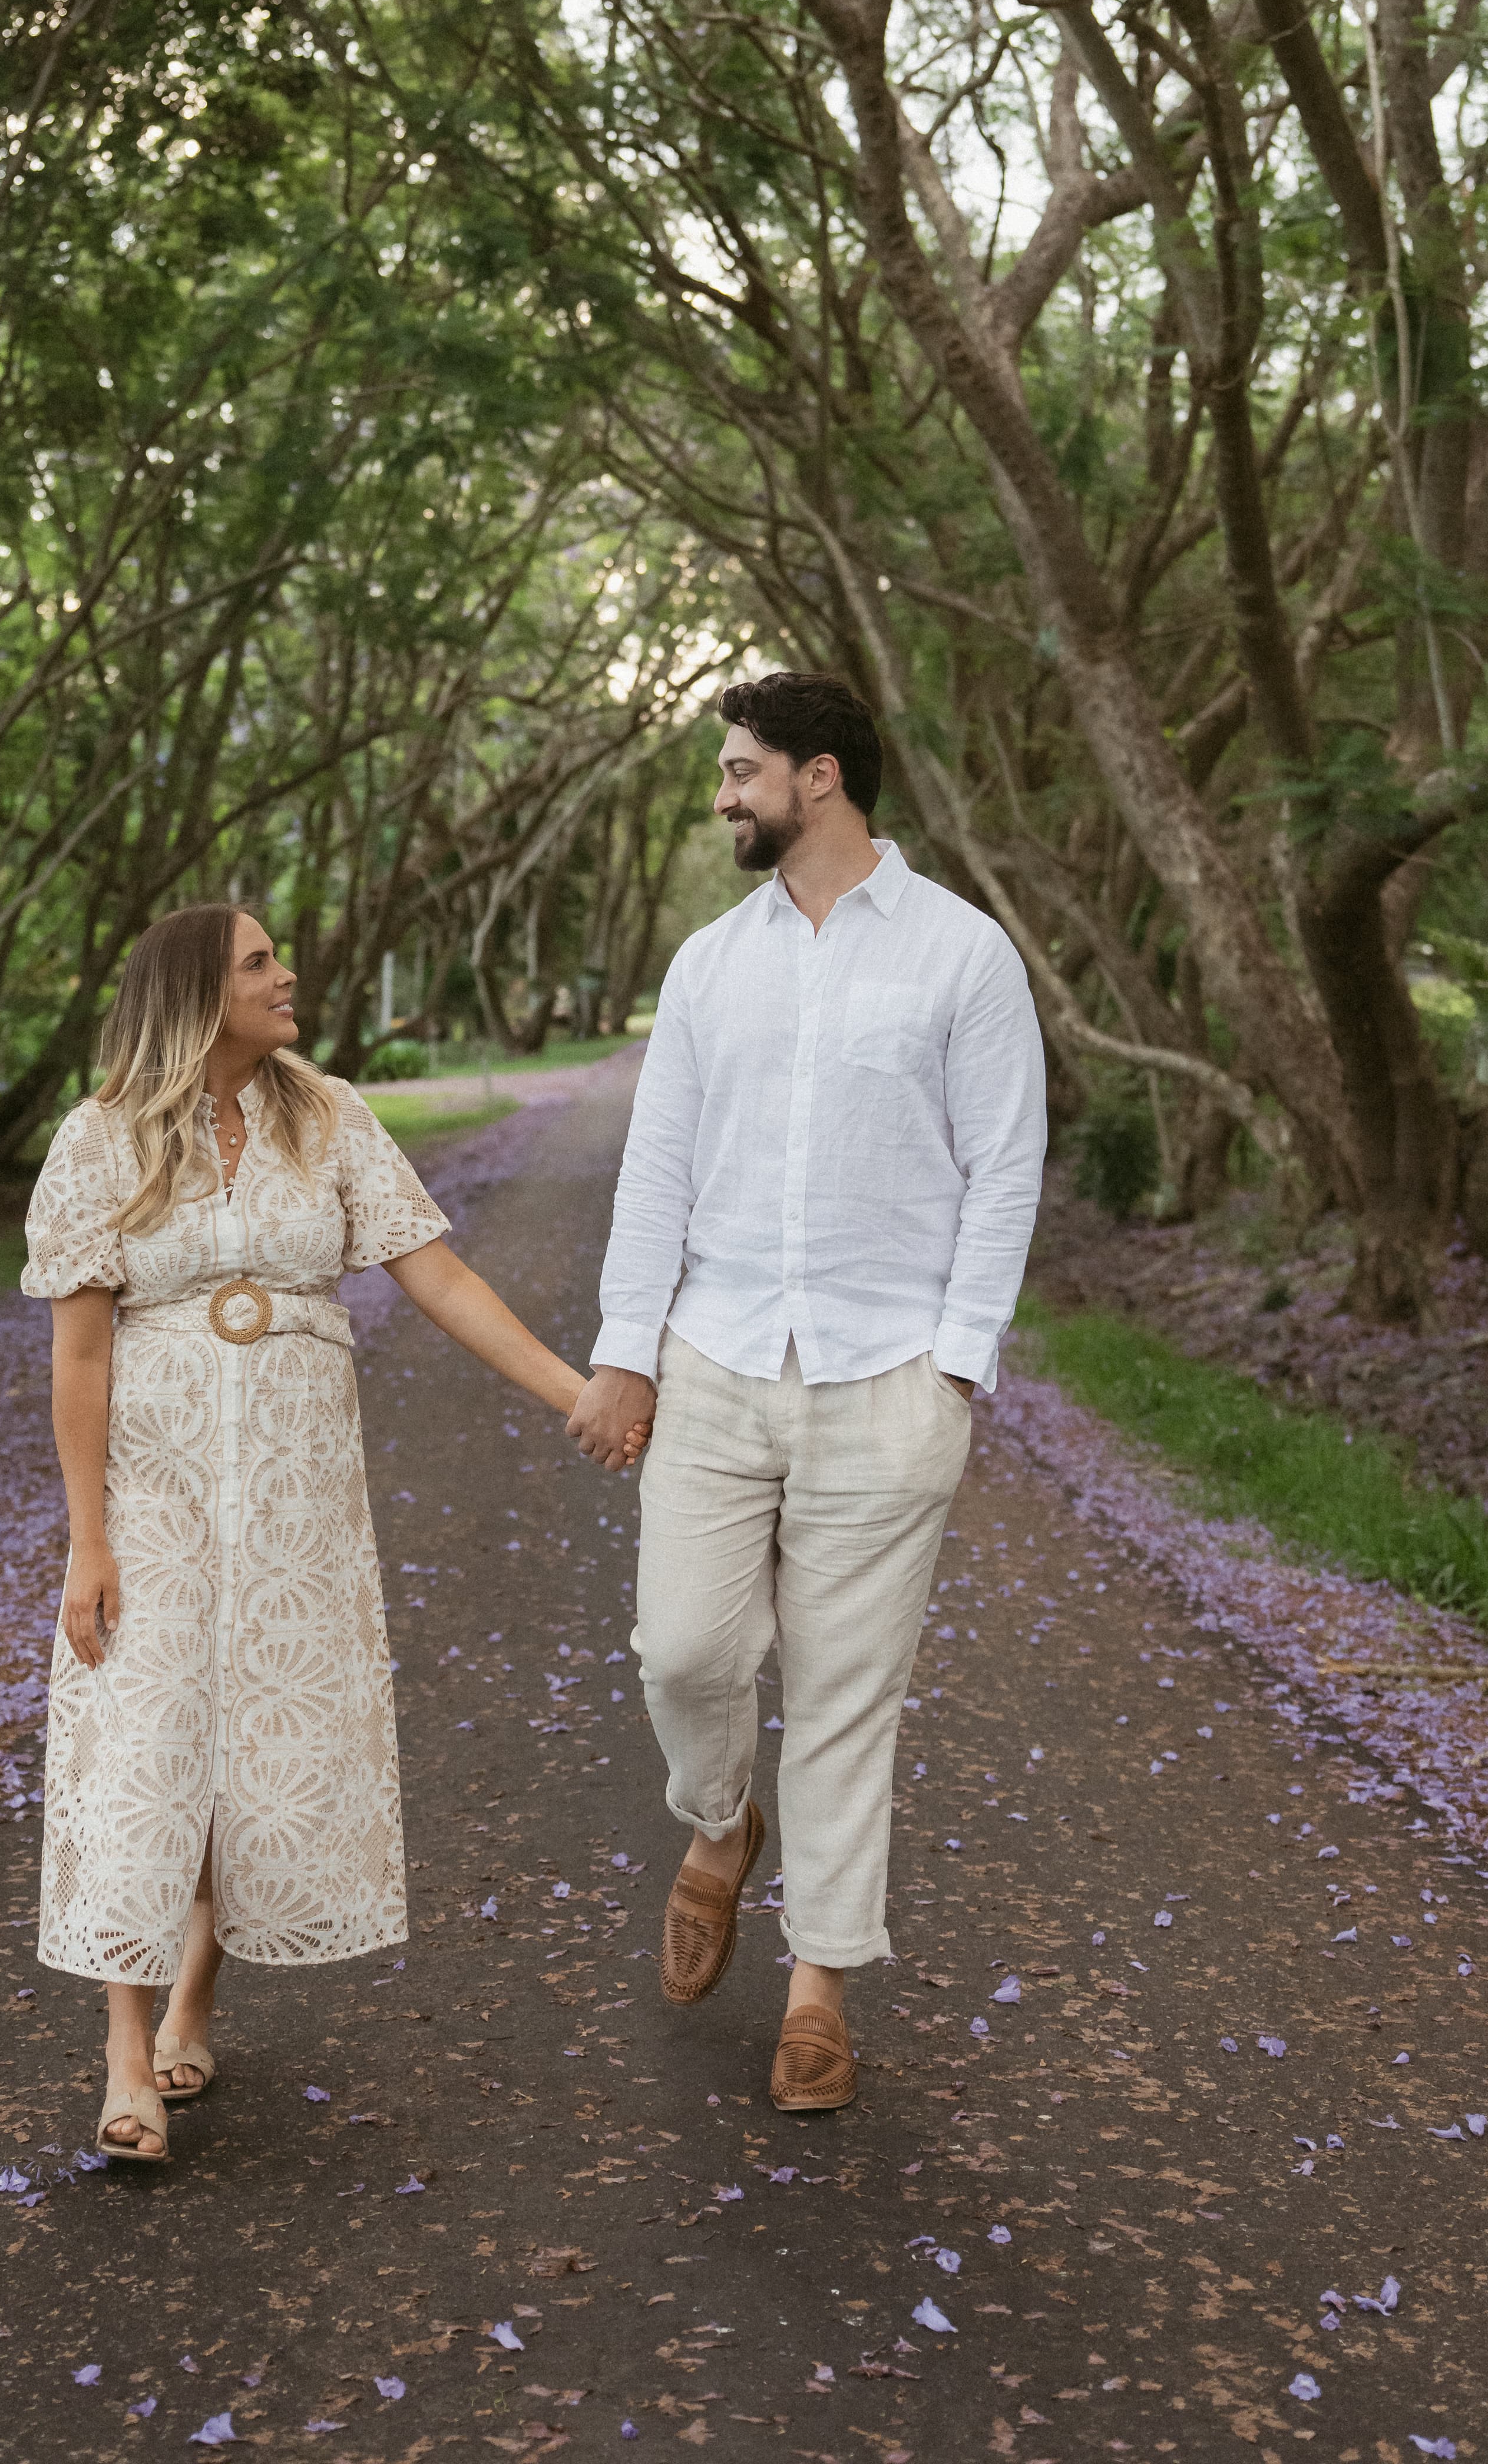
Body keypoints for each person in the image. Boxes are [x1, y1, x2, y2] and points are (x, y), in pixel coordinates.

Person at [24, 899, 639, 2165]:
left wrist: (575, 1393)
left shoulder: (330, 1115)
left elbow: (441, 1277)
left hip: (299, 1486)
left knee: (255, 1739)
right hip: (156, 1485)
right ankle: (126, 2052)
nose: (286, 974)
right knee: (147, 1736)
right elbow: (80, 1355)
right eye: (259, 963)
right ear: (199, 994)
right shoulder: (99, 1139)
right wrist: (89, 1540)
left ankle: (196, 1999)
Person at [561, 673, 1047, 2112]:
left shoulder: (963, 955)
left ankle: (820, 1988)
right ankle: (720, 1825)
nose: (724, 794)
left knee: (846, 1695)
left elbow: (1005, 1164)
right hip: (716, 1360)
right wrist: (626, 1349)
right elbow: (657, 1168)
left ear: (818, 777)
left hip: (888, 1373)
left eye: (741, 770)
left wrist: (956, 1363)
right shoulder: (710, 966)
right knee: (684, 1653)